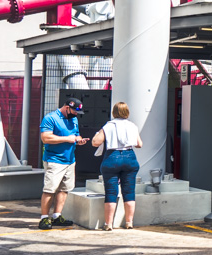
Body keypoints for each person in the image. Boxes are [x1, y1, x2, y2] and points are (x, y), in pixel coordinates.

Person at [91, 102, 142, 231]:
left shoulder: (108, 126)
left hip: (112, 157)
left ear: (114, 112)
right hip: (129, 157)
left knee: (111, 192)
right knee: (129, 191)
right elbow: (139, 144)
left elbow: (95, 142)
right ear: (127, 112)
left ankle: (108, 224)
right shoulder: (132, 126)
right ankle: (129, 222)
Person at [39, 98, 86, 230]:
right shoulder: (50, 118)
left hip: (70, 160)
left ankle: (57, 216)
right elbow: (45, 138)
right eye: (75, 111)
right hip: (54, 160)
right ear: (67, 108)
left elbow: (76, 135)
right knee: (50, 189)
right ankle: (44, 218)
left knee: (64, 188)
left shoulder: (74, 119)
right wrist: (67, 139)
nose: (76, 115)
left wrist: (79, 140)